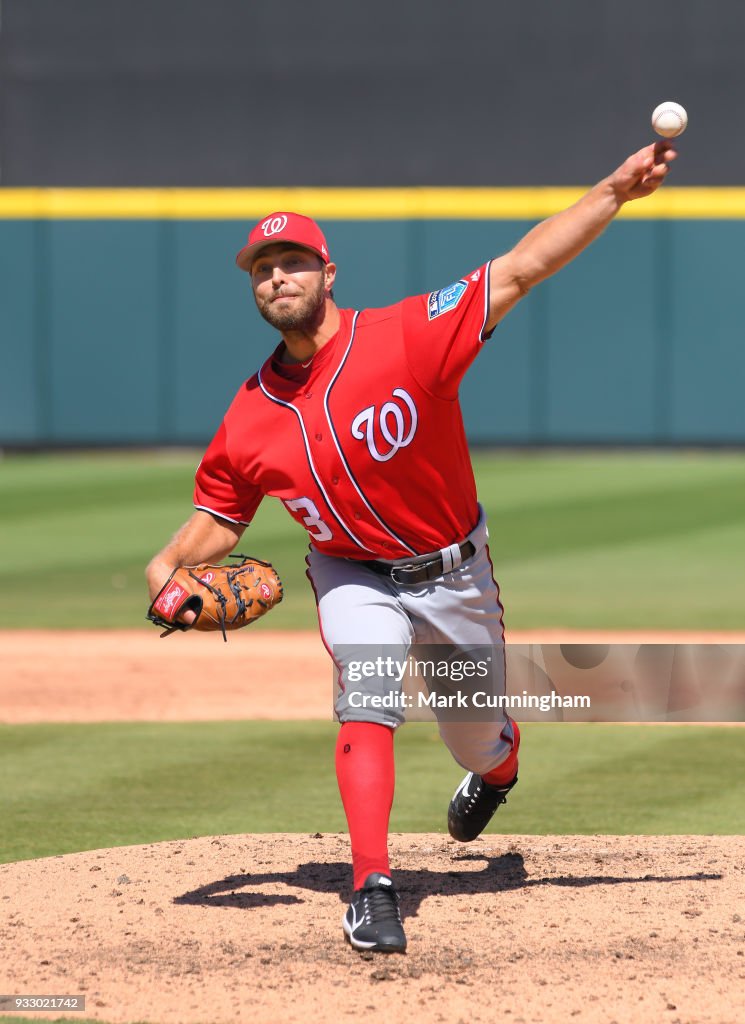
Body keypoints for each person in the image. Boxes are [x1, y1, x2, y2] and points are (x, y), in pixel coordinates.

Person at [146, 141, 677, 955]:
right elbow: (218, 516)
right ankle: (371, 888)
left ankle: (496, 770)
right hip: (350, 572)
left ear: (329, 273)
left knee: (477, 736)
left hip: (453, 572)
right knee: (367, 689)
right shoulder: (249, 413)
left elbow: (522, 267)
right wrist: (162, 571)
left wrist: (611, 192)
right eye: (262, 269)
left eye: (292, 262)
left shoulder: (405, 337)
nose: (277, 277)